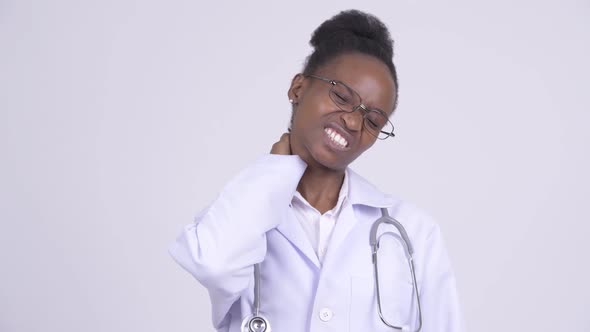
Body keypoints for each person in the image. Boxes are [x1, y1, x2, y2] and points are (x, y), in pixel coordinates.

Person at [169, 9, 463, 332]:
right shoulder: (246, 210)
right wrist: (276, 170)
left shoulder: (412, 231)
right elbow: (212, 264)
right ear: (298, 88)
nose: (353, 122)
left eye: (373, 120)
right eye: (341, 96)